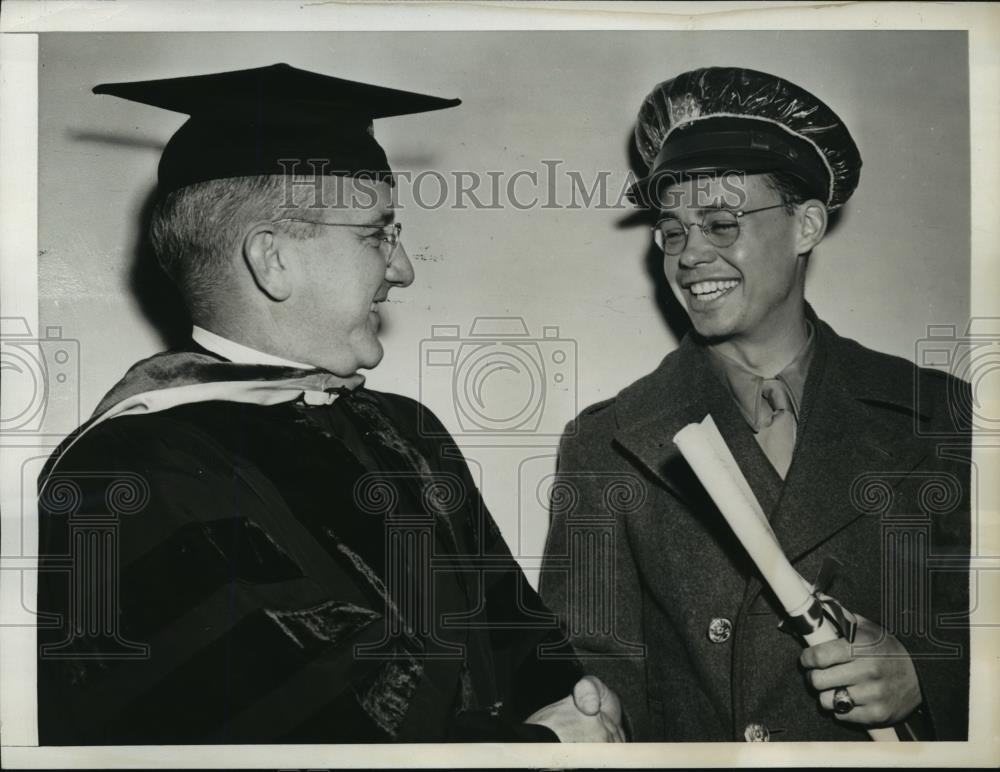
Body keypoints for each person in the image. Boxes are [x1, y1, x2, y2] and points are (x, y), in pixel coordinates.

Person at [36, 63, 624, 745]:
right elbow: (289, 743)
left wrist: (583, 708)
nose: (403, 269)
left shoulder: (407, 430)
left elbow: (531, 654)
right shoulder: (123, 480)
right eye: (377, 233)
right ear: (273, 260)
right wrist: (544, 750)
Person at [540, 66, 970, 742]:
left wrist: (930, 674)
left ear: (806, 225)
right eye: (673, 231)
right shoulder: (610, 442)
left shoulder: (944, 418)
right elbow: (595, 672)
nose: (689, 256)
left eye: (719, 222)